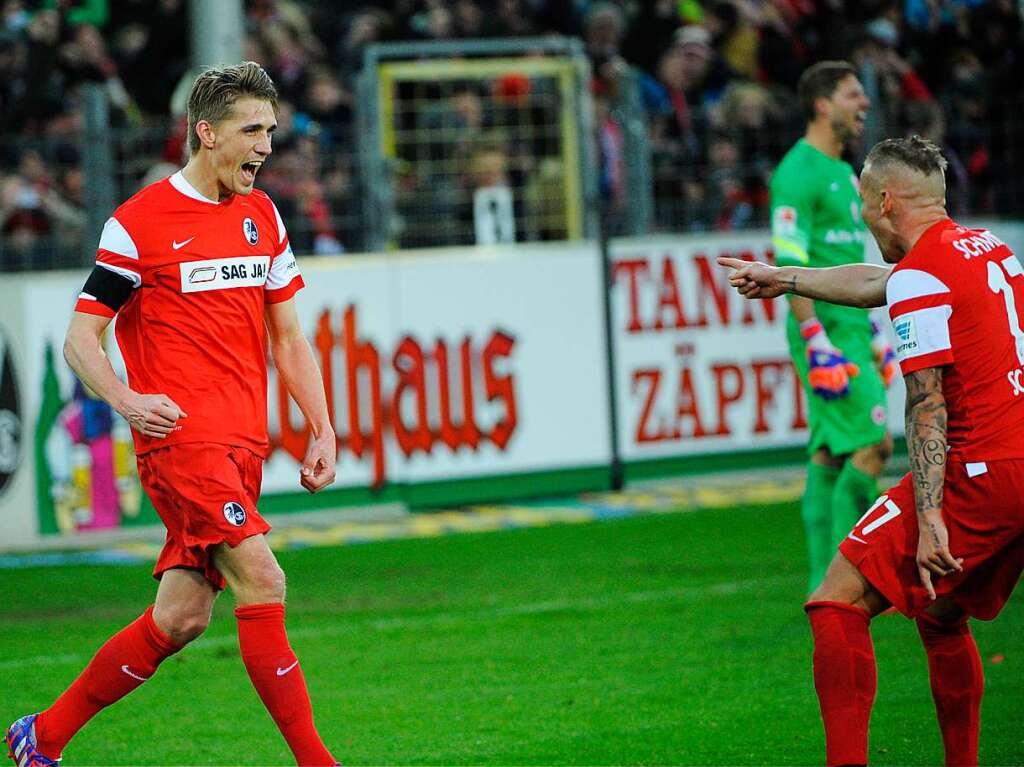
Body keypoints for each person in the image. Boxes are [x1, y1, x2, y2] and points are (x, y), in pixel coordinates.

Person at [5, 62, 339, 767]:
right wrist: (127, 401)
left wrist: (322, 425)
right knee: (265, 579)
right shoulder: (138, 225)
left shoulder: (262, 217)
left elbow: (289, 336)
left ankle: (43, 736)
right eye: (252, 130)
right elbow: (79, 338)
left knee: (181, 617)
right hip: (181, 445)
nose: (267, 146)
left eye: (271, 131)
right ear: (206, 132)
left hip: (241, 446)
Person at [721, 135, 1024, 767]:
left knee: (836, 601)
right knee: (940, 614)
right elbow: (879, 282)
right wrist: (784, 278)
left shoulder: (921, 275)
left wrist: (932, 516)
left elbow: (928, 403)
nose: (861, 213)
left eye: (862, 200)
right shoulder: (990, 250)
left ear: (883, 200)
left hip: (980, 472)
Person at [770, 60, 895, 593]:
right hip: (824, 331)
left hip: (851, 328)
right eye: (852, 95)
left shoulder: (845, 174)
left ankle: (825, 584)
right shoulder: (796, 173)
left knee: (830, 453)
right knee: (874, 445)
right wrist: (813, 339)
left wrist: (874, 335)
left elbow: (847, 262)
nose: (863, 104)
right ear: (823, 105)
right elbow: (786, 259)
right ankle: (853, 579)